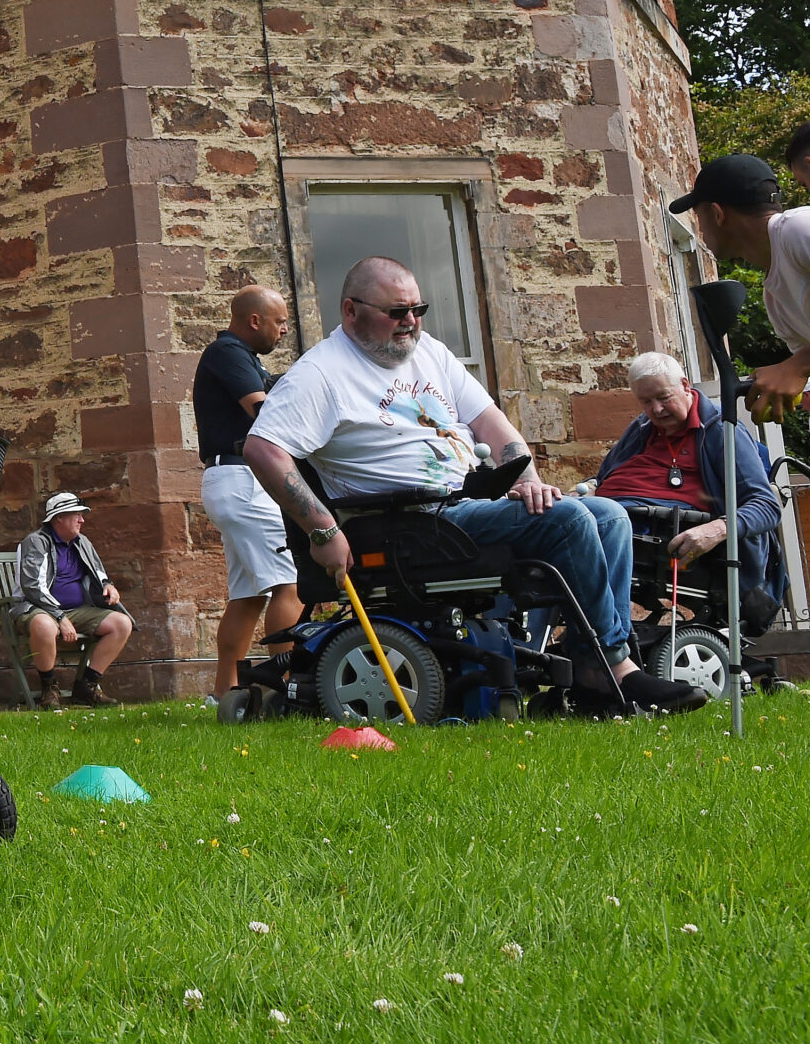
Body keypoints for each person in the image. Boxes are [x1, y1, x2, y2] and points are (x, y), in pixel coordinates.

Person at [242, 256, 708, 715]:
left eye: (417, 310)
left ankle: (593, 667)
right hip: (410, 523)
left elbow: (491, 423)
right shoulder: (321, 374)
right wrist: (322, 529)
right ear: (351, 310)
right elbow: (263, 448)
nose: (410, 322)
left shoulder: (430, 352)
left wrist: (528, 482)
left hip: (468, 506)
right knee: (569, 522)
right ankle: (617, 669)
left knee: (607, 514)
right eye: (396, 313)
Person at [593, 350, 780, 599]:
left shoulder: (721, 430)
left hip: (636, 526)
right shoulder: (643, 427)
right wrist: (583, 489)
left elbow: (767, 506)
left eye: (663, 397)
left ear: (684, 385)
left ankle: (608, 635)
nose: (656, 410)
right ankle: (532, 637)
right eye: (646, 402)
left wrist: (715, 530)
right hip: (605, 512)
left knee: (591, 528)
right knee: (551, 517)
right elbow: (601, 478)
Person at [194, 286, 302, 695]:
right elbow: (262, 411)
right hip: (243, 480)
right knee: (289, 584)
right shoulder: (228, 353)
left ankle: (226, 692)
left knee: (249, 595)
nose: (284, 330)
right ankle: (287, 688)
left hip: (232, 481)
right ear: (254, 320)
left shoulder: (245, 359)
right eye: (279, 322)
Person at [675, 154, 810, 418]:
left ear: (717, 213)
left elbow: (802, 364)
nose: (700, 228)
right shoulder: (775, 297)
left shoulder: (799, 228)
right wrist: (782, 382)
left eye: (698, 216)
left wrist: (795, 367)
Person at [10, 493, 132, 709]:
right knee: (44, 625)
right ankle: (49, 688)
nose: (82, 520)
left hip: (76, 610)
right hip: (36, 609)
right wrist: (60, 617)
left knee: (122, 624)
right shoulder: (36, 542)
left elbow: (98, 571)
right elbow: (32, 586)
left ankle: (87, 687)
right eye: (76, 515)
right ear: (59, 518)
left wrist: (108, 585)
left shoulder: (81, 542)